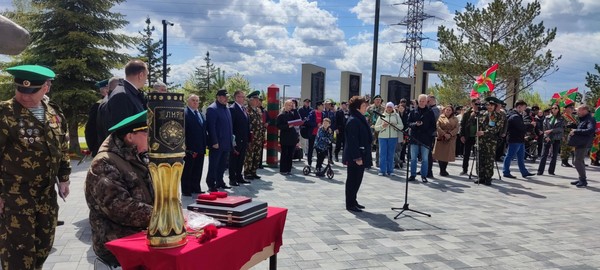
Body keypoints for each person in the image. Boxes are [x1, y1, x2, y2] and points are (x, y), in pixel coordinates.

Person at [0, 65, 71, 270]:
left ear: (46, 88)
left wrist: (64, 178)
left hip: (46, 196)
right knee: (17, 255)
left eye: (32, 91)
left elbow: (62, 148)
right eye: (20, 90)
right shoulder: (4, 113)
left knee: (43, 246)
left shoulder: (54, 114)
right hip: (15, 196)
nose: (25, 96)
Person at [85, 110, 153, 267]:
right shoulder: (104, 163)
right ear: (130, 137)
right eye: (147, 133)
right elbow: (120, 208)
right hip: (116, 241)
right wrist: (162, 216)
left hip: (142, 232)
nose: (152, 138)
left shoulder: (136, 155)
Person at [344, 96, 372, 212]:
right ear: (357, 107)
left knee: (358, 179)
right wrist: (357, 157)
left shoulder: (359, 118)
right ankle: (350, 203)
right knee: (352, 179)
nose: (366, 107)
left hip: (362, 153)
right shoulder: (353, 120)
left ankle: (354, 200)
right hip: (355, 156)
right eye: (364, 105)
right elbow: (352, 141)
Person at [104, 59, 148, 131]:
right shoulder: (122, 95)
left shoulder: (129, 92)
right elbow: (122, 131)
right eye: (147, 75)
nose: (146, 79)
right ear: (141, 75)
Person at [206, 89, 234, 192]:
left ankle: (220, 181)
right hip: (217, 143)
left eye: (227, 97)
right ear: (218, 97)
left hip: (226, 142)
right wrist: (214, 142)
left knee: (222, 165)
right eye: (224, 97)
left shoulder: (226, 108)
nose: (226, 98)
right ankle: (211, 183)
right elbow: (211, 127)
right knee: (214, 164)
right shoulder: (212, 109)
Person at [181, 94, 207, 196]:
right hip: (190, 148)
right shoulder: (185, 113)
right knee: (188, 169)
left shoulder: (200, 114)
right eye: (193, 100)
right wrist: (185, 146)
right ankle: (186, 189)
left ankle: (196, 187)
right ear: (188, 101)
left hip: (200, 146)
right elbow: (183, 131)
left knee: (198, 169)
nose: (195, 102)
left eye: (197, 100)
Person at [474, 97, 504, 185]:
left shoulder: (498, 116)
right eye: (488, 105)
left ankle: (488, 177)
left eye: (491, 105)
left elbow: (496, 128)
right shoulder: (482, 114)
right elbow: (476, 125)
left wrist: (484, 132)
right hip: (480, 140)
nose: (489, 107)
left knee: (489, 159)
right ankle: (480, 176)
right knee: (480, 158)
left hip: (490, 141)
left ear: (495, 106)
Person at [503, 100, 535, 179]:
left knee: (521, 157)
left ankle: (524, 172)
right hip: (515, 139)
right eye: (524, 107)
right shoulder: (514, 116)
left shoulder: (517, 115)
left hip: (519, 139)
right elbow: (521, 127)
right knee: (510, 156)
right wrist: (530, 125)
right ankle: (506, 171)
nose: (524, 109)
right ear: (519, 106)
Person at [407, 94, 436, 182]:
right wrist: (415, 124)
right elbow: (408, 123)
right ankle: (412, 175)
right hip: (415, 137)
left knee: (425, 159)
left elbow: (433, 126)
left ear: (426, 101)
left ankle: (424, 175)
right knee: (413, 158)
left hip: (425, 138)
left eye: (423, 101)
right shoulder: (413, 111)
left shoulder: (430, 112)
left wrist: (427, 132)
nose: (421, 102)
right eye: (420, 101)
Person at [569, 105, 596, 187]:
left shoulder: (590, 119)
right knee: (579, 161)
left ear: (585, 110)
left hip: (583, 143)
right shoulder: (584, 119)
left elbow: (590, 130)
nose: (577, 112)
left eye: (579, 110)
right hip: (580, 142)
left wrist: (576, 131)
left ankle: (583, 180)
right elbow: (582, 127)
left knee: (577, 161)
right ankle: (581, 178)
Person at [228, 90, 251, 186]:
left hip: (244, 139)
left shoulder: (243, 109)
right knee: (234, 160)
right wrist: (233, 141)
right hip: (236, 139)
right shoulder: (233, 109)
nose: (243, 99)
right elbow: (231, 126)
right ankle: (232, 178)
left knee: (241, 159)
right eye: (241, 97)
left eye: (243, 97)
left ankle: (239, 176)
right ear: (236, 97)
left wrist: (248, 139)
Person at [374, 102, 403, 176]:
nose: (389, 108)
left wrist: (395, 125)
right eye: (388, 107)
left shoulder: (396, 116)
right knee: (382, 154)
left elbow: (401, 126)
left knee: (391, 154)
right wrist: (382, 126)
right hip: (382, 137)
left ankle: (390, 170)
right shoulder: (382, 115)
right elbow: (376, 127)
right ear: (386, 108)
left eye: (390, 107)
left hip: (393, 137)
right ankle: (382, 170)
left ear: (393, 108)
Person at [536, 105, 564, 176]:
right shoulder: (547, 118)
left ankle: (551, 171)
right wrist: (547, 136)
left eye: (555, 108)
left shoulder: (561, 119)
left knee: (554, 155)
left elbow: (561, 129)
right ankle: (540, 171)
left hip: (556, 138)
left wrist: (551, 130)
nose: (554, 109)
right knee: (544, 154)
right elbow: (544, 128)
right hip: (547, 138)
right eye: (552, 108)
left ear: (558, 109)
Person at [432, 105, 459, 176]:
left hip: (450, 138)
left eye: (449, 110)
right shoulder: (440, 117)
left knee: (447, 155)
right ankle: (441, 170)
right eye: (447, 110)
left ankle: (444, 169)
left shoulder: (455, 119)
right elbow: (437, 126)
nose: (448, 111)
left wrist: (450, 134)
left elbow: (457, 128)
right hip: (441, 137)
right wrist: (444, 134)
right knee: (440, 154)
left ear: (452, 111)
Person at [243, 91, 264, 180]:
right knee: (249, 156)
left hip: (259, 137)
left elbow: (261, 123)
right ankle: (247, 172)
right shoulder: (247, 110)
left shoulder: (258, 110)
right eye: (255, 99)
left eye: (257, 99)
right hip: (251, 137)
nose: (257, 101)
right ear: (250, 100)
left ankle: (253, 171)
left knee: (257, 155)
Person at [277, 99, 300, 175]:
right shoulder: (281, 115)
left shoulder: (292, 114)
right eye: (289, 105)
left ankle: (288, 169)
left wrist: (295, 109)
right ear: (285, 105)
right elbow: (278, 126)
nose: (290, 107)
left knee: (290, 154)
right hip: (285, 137)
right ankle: (283, 169)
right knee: (285, 153)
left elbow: (298, 119)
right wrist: (288, 126)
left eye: (291, 105)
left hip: (292, 137)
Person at [460, 99, 482, 175]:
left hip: (478, 136)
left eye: (479, 104)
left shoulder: (482, 113)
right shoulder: (467, 113)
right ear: (472, 104)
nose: (478, 106)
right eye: (476, 104)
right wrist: (462, 135)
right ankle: (464, 169)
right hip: (468, 136)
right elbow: (463, 125)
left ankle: (478, 171)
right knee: (466, 153)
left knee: (478, 154)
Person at [306, 101, 325, 168]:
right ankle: (309, 162)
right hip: (313, 133)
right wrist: (316, 125)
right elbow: (308, 122)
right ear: (318, 106)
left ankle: (319, 163)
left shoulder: (323, 114)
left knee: (319, 149)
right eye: (322, 105)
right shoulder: (312, 113)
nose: (323, 107)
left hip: (320, 135)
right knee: (311, 148)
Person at [367, 95, 385, 167]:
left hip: (380, 129)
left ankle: (378, 162)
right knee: (369, 145)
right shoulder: (369, 108)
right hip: (371, 128)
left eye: (379, 100)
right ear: (374, 100)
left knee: (379, 146)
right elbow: (366, 117)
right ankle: (369, 161)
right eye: (377, 99)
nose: (378, 101)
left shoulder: (384, 108)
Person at [426, 95, 440, 178]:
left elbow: (432, 120)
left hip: (431, 134)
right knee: (424, 153)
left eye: (428, 101)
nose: (427, 103)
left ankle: (429, 171)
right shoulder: (428, 109)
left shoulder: (435, 110)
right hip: (425, 134)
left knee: (428, 153)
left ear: (432, 101)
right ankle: (424, 169)